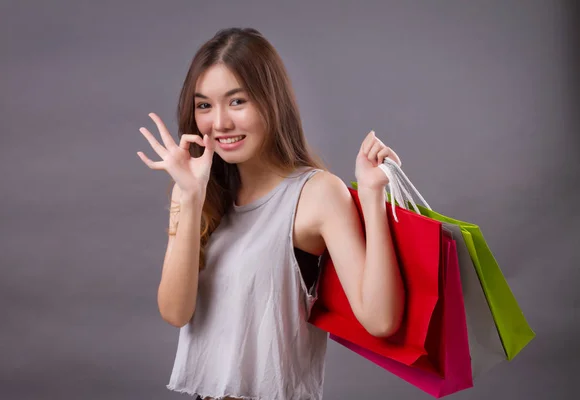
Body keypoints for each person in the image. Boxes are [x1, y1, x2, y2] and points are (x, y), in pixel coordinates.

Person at [137, 27, 405, 400]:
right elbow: (176, 312)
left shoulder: (317, 193)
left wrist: (373, 196)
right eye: (204, 105)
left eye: (237, 101)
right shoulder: (202, 193)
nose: (219, 123)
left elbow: (380, 320)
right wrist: (191, 197)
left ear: (271, 102)